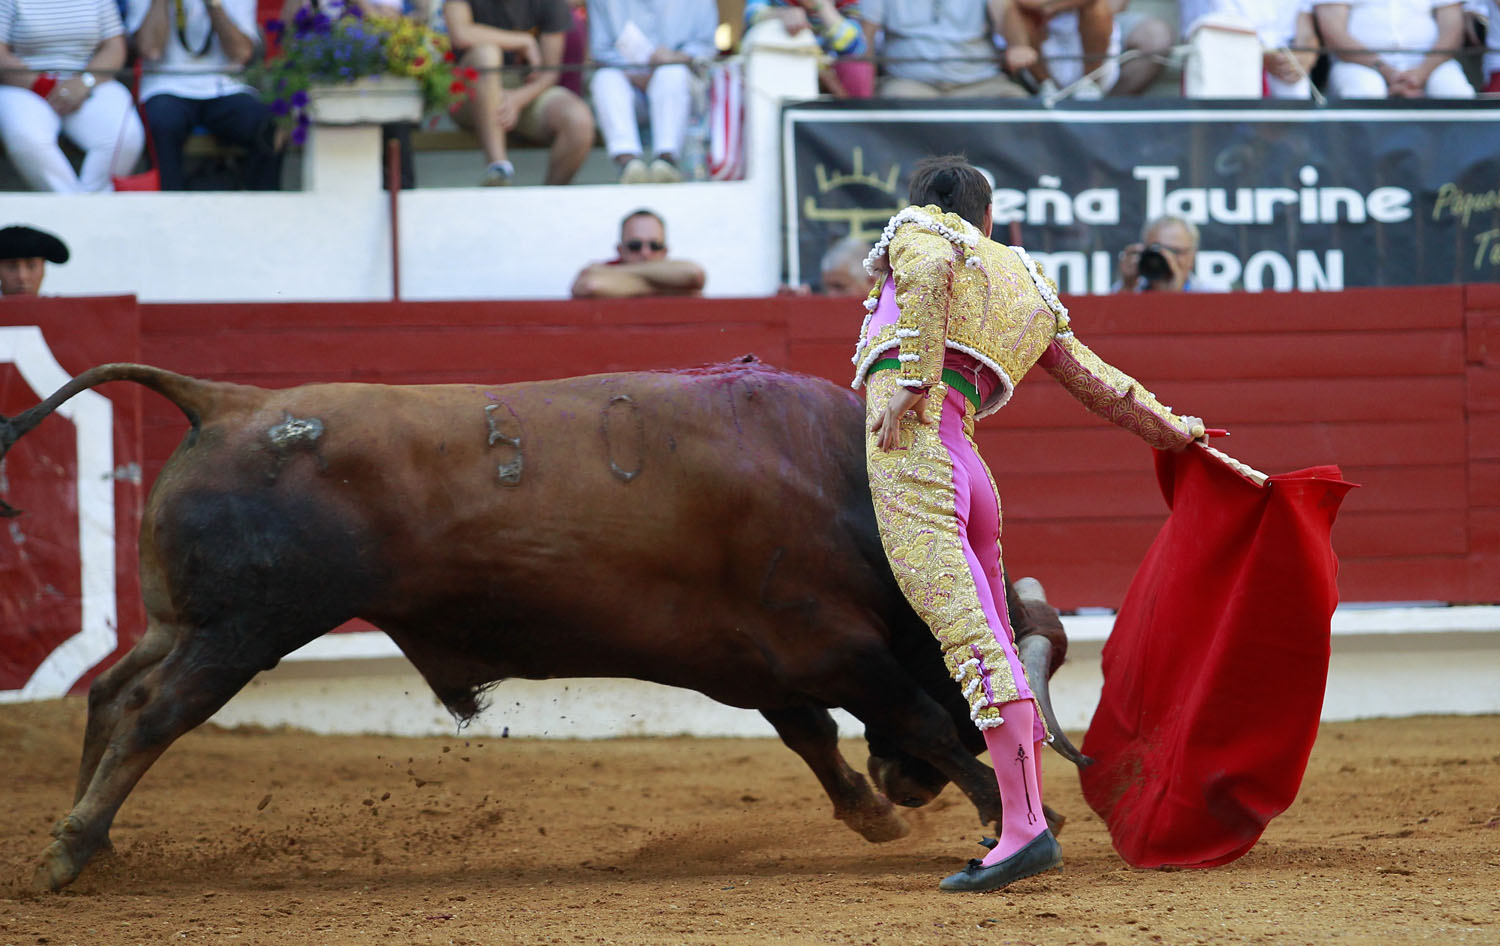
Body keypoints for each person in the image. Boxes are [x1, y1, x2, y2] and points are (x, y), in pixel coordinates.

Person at [852, 154, 1206, 893]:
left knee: (975, 646)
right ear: (990, 218)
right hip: (970, 467)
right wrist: (1178, 433)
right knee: (993, 645)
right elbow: (1101, 383)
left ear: (934, 209)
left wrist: (911, 381)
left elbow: (921, 274)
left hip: (918, 453)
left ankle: (1024, 831)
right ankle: (1024, 820)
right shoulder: (1024, 279)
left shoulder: (921, 233)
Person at [128, 0, 282, 191]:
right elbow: (150, 50)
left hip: (225, 85)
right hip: (166, 85)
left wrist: (214, 6)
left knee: (268, 126)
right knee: (162, 124)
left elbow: (241, 53)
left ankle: (260, 210)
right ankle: (168, 211)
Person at [444, 0, 597, 186]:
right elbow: (461, 34)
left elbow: (550, 73)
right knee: (486, 54)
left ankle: (550, 197)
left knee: (578, 121)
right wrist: (524, 41)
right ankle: (498, 169)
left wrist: (518, 99)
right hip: (469, 92)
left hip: (527, 90)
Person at [0, 0, 145, 192]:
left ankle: (90, 204)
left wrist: (85, 81)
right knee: (27, 137)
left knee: (126, 135)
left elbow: (114, 47)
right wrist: (44, 86)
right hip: (24, 84)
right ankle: (70, 204)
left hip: (89, 80)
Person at [586, 0, 719, 184]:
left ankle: (666, 161)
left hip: (680, 83)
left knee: (671, 73)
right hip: (627, 77)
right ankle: (628, 162)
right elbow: (600, 50)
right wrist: (635, 70)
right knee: (605, 78)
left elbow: (706, 46)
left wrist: (675, 58)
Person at [860, 0, 1031, 98]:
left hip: (981, 82)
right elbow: (866, 35)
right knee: (894, 101)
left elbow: (1006, 13)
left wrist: (1019, 46)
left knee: (1017, 102)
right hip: (909, 83)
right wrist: (862, 88)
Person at [1315, 0, 1476, 97]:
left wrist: (1420, 74)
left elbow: (1452, 30)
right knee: (1365, 90)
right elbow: (1334, 33)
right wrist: (1386, 71)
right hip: (1359, 63)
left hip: (1430, 63)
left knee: (1454, 90)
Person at [1181, 0, 1321, 97]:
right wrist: (1266, 57)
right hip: (1237, 56)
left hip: (1284, 58)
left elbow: (1306, 29)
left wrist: (1306, 57)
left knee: (1294, 81)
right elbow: (1229, 29)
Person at [745, 0, 873, 97]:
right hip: (783, 67)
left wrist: (823, 7)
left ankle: (856, 127)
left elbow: (856, 48)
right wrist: (781, 15)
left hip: (830, 74)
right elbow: (752, 14)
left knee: (858, 68)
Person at [570, 208, 706, 297]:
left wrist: (620, 275)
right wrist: (670, 289)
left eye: (654, 246)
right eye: (635, 246)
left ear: (665, 252)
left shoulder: (605, 270)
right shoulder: (675, 281)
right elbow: (591, 286)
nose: (645, 253)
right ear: (620, 250)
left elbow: (694, 274)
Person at [1115, 214, 1200, 292]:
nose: (1167, 259)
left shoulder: (1208, 296)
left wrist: (1176, 293)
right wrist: (1127, 287)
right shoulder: (1127, 289)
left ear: (1192, 255)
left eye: (1175, 251)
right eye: (1157, 250)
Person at [0, 224, 68, 296]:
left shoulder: (57, 307)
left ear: (43, 269)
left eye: (31, 266)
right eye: (11, 267)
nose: (22, 277)